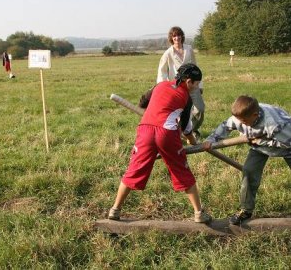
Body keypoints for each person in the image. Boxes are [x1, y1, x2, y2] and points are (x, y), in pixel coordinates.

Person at [108, 63, 212, 223]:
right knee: (182, 172)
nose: (196, 88)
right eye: (196, 84)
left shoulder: (160, 85)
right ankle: (199, 213)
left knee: (133, 170)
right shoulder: (186, 97)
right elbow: (186, 127)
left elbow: (143, 101)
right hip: (167, 133)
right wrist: (193, 142)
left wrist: (151, 111)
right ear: (189, 81)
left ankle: (115, 210)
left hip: (145, 130)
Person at [205, 95, 291, 225]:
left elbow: (288, 143)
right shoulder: (241, 116)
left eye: (243, 121)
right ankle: (246, 210)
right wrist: (210, 140)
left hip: (286, 144)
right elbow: (225, 126)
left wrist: (260, 140)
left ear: (255, 115)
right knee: (248, 171)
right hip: (259, 147)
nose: (240, 123)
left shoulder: (276, 124)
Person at [157, 26, 204, 140]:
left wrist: (200, 85)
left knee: (200, 109)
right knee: (180, 112)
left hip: (192, 85)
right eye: (174, 36)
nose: (176, 38)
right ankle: (181, 133)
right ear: (171, 38)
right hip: (178, 87)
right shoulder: (168, 53)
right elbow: (162, 71)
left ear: (182, 36)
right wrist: (164, 87)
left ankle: (190, 130)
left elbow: (195, 67)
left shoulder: (189, 49)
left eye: (178, 35)